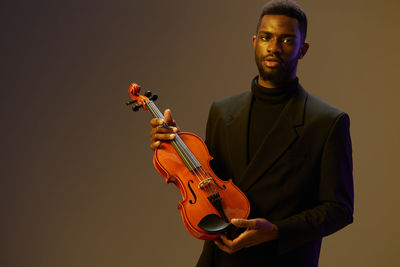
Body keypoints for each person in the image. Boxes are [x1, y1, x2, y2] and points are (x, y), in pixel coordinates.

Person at [149, 0, 354, 266]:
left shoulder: (327, 122)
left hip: (281, 260)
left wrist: (276, 231)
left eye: (287, 40)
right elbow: (208, 182)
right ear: (254, 41)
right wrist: (172, 144)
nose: (274, 48)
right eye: (266, 37)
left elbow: (339, 210)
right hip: (218, 260)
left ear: (302, 50)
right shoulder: (222, 111)